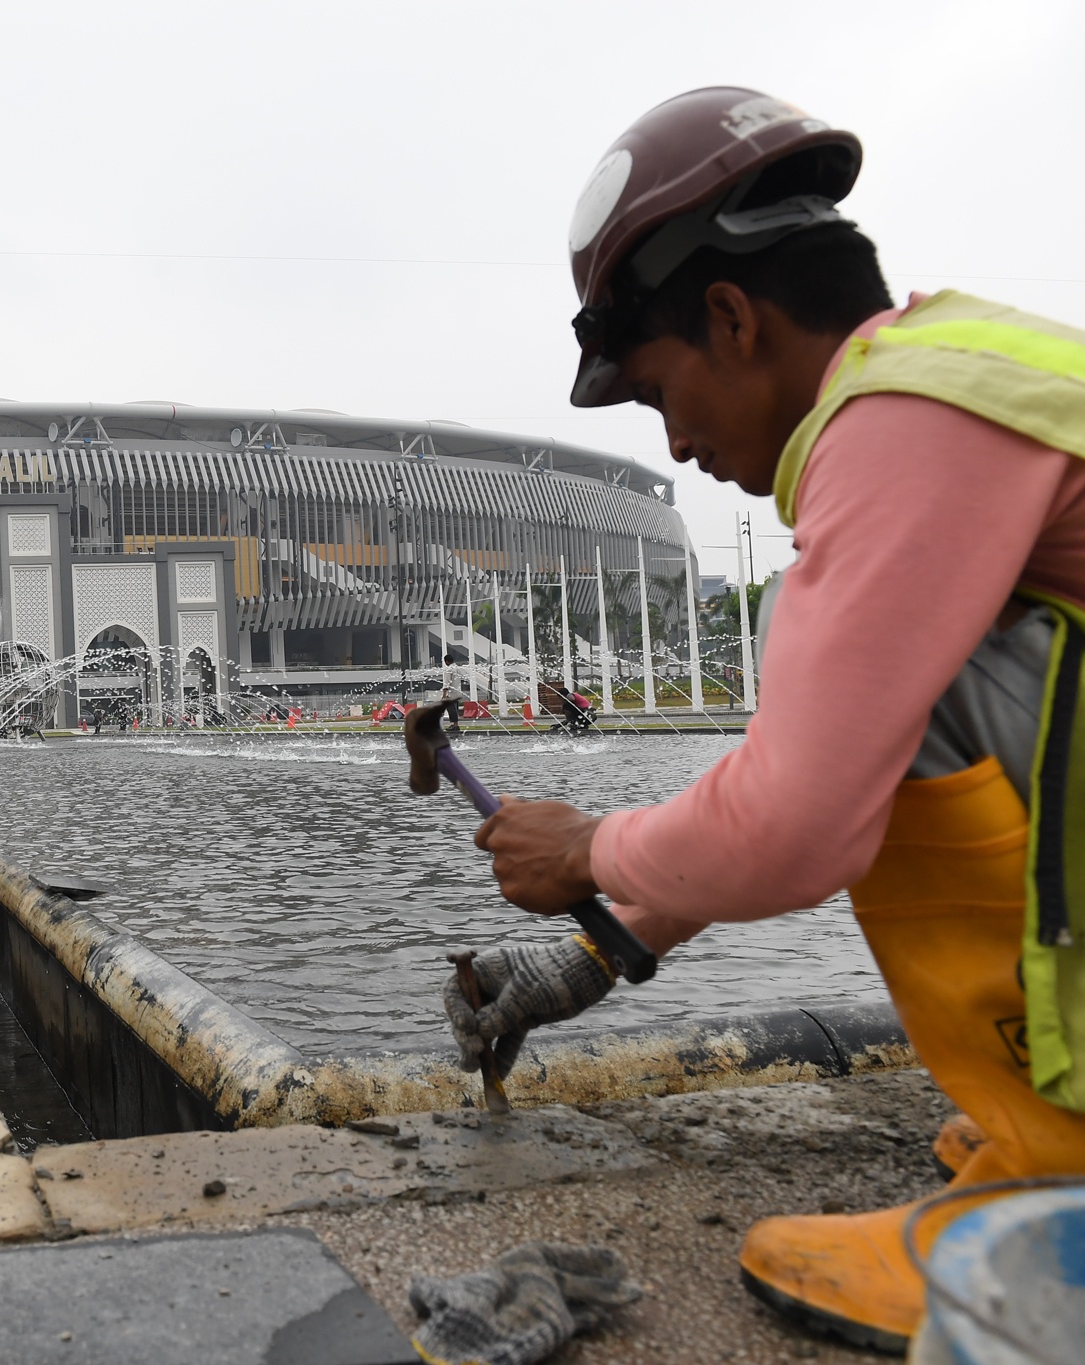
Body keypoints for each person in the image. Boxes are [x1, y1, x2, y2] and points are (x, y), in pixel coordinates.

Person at [442, 88, 1085, 1352]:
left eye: (658, 391)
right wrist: (587, 951)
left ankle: (1050, 1189)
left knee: (903, 688)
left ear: (731, 319)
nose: (675, 443)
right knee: (879, 689)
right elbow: (813, 765)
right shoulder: (967, 373)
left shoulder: (897, 424)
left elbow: (796, 821)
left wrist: (584, 853)